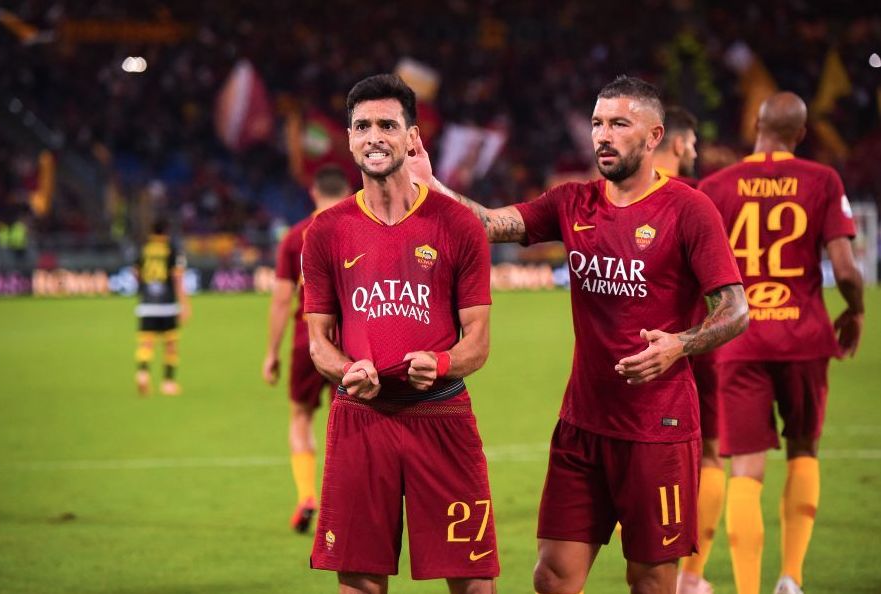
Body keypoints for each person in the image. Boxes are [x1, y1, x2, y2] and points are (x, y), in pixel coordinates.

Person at [409, 75, 749, 594]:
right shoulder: (572, 202)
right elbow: (489, 224)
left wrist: (679, 344)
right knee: (552, 577)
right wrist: (431, 185)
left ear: (654, 136)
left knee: (651, 582)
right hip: (582, 426)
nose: (603, 136)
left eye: (619, 124)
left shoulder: (688, 209)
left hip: (657, 429)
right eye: (597, 123)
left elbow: (735, 308)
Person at [301, 74, 499, 594]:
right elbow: (318, 341)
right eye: (362, 126)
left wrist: (443, 363)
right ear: (349, 138)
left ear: (412, 137)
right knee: (360, 582)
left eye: (387, 125)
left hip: (441, 414)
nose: (374, 137)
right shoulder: (325, 231)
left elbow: (478, 340)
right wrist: (346, 369)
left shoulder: (458, 225)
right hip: (361, 418)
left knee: (474, 581)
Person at [697, 92, 864, 594]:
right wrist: (855, 310)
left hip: (738, 340)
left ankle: (749, 589)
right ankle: (791, 577)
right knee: (803, 448)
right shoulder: (823, 180)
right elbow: (847, 270)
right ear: (802, 134)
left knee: (745, 469)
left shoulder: (716, 187)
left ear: (757, 125)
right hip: (804, 338)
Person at [654, 107, 726, 594]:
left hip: (631, 345)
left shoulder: (619, 194)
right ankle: (691, 578)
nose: (695, 152)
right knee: (711, 454)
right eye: (693, 144)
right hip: (698, 341)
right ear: (678, 143)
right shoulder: (699, 199)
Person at [262, 164, 351, 534]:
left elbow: (282, 300)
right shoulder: (356, 228)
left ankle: (306, 497)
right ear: (348, 193)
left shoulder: (295, 236)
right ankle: (343, 502)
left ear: (314, 193)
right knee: (349, 422)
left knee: (300, 416)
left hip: (306, 338)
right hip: (349, 340)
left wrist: (272, 352)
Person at [134, 218, 190, 396]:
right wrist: (184, 304)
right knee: (171, 344)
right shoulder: (171, 249)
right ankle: (168, 383)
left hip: (147, 304)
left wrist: (144, 287)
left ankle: (143, 373)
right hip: (167, 304)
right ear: (166, 231)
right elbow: (177, 278)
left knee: (146, 343)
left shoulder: (144, 249)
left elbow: (136, 272)